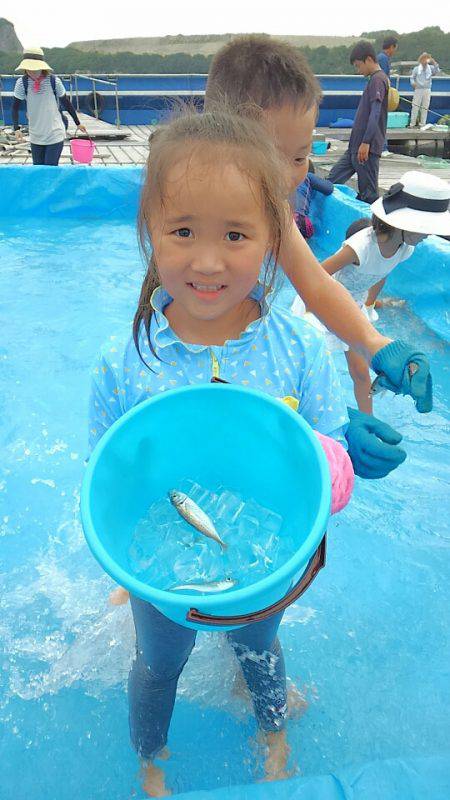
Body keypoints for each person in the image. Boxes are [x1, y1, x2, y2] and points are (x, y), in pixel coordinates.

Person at [89, 109, 354, 796]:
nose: (207, 262)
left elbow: (326, 451)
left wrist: (342, 463)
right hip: (162, 576)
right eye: (182, 232)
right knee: (156, 665)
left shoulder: (298, 349)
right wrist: (131, 564)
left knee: (259, 648)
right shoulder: (125, 364)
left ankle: (273, 736)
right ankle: (151, 759)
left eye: (236, 235)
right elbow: (105, 475)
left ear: (276, 237)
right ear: (150, 234)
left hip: (267, 564)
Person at [204, 34, 432, 479]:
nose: (290, 175)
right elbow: (204, 357)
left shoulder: (273, 215)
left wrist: (379, 345)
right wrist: (324, 427)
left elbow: (317, 286)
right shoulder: (196, 238)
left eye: (301, 155)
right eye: (272, 157)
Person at [291, 171, 450, 414]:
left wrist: (369, 305)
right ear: (403, 223)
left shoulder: (405, 248)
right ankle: (297, 413)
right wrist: (311, 315)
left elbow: (382, 273)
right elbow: (316, 275)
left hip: (353, 304)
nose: (429, 234)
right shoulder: (360, 247)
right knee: (310, 365)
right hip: (322, 300)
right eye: (424, 228)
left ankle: (369, 419)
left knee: (361, 374)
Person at [328, 40, 389, 205]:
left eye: (358, 65)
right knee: (329, 182)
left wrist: (366, 142)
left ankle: (372, 227)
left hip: (365, 150)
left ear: (369, 59)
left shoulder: (378, 79)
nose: (358, 70)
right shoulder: (372, 80)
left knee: (368, 195)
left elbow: (375, 112)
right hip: (354, 148)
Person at [12, 46, 87, 166]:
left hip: (54, 133)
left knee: (50, 169)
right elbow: (15, 107)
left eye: (35, 68)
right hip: (35, 135)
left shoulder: (54, 81)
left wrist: (78, 123)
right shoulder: (22, 83)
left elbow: (66, 103)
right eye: (28, 68)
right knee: (38, 170)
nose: (31, 71)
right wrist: (16, 128)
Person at [376, 35, 399, 157]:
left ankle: (380, 147)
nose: (394, 51)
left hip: (379, 94)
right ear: (391, 47)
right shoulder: (383, 59)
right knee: (381, 121)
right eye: (395, 48)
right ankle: (383, 148)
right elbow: (383, 78)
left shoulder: (379, 57)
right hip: (382, 95)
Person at [409, 53, 441, 128]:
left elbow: (437, 71)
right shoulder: (416, 69)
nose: (425, 60)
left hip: (427, 89)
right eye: (423, 58)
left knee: (425, 106)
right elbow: (412, 77)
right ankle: (412, 124)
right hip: (418, 89)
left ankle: (422, 123)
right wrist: (413, 83)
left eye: (426, 58)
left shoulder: (431, 68)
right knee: (415, 106)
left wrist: (434, 62)